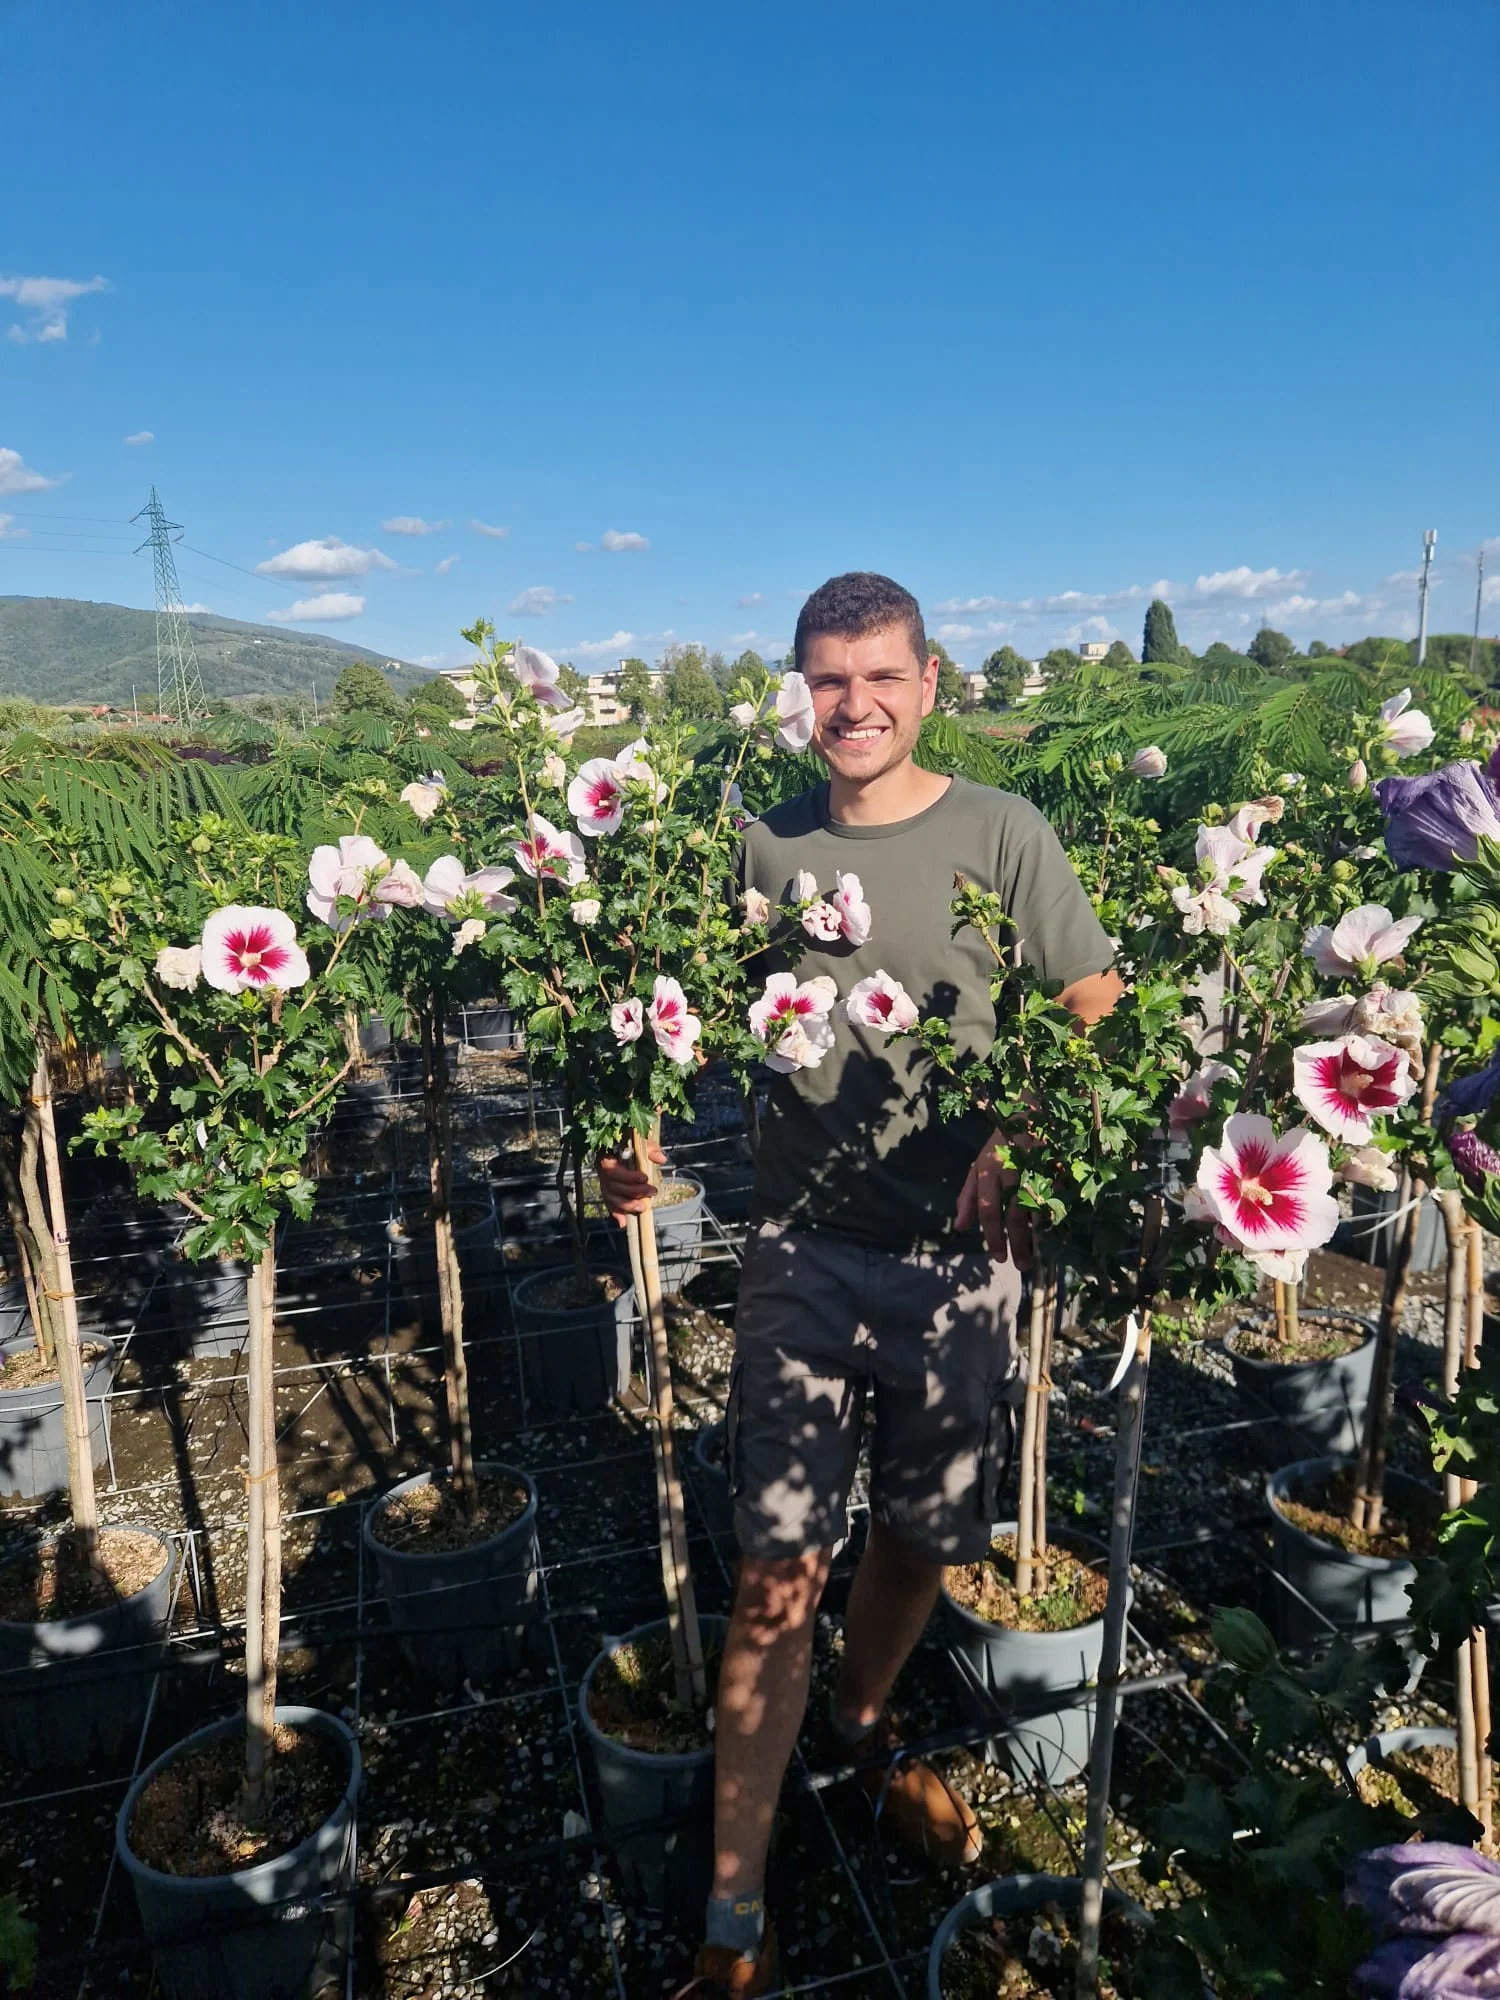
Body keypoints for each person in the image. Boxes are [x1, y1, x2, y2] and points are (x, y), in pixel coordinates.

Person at [599, 572, 1120, 1996]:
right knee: (778, 1568)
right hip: (797, 1253)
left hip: (963, 1273)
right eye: (828, 680)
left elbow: (1092, 1002)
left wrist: (1025, 1132)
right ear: (801, 692)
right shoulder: (761, 848)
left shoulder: (1003, 833)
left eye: (879, 675)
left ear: (929, 682)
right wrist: (633, 1140)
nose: (854, 703)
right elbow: (681, 1019)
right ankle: (731, 1921)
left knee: (917, 1536)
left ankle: (868, 1714)